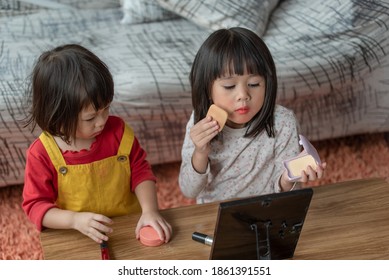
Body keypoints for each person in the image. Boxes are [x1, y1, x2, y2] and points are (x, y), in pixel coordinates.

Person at [22, 44, 172, 244]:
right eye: (90, 117)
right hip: (77, 233)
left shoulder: (119, 132)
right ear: (57, 117)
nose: (102, 121)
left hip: (129, 226)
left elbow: (141, 171)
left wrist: (150, 211)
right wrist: (74, 220)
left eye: (106, 108)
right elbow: (35, 205)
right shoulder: (42, 153)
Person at [179, 27, 327, 204]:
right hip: (215, 213)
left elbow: (284, 193)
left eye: (254, 84)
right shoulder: (200, 122)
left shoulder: (282, 122)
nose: (243, 95)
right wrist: (200, 152)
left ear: (267, 82)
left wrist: (288, 179)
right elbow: (188, 190)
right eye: (229, 86)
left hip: (266, 211)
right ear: (207, 89)